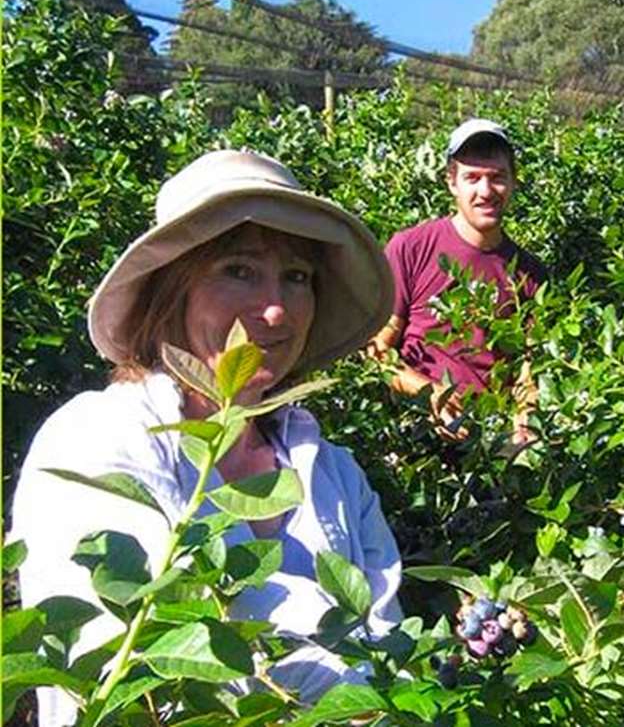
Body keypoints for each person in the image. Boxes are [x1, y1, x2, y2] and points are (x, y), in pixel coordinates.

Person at [10, 149, 402, 723]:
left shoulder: (334, 472)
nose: (275, 309)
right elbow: (172, 652)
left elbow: (389, 643)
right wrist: (365, 697)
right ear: (174, 289)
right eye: (238, 270)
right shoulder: (95, 439)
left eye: (297, 277)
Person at [369, 118, 545, 442]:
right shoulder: (410, 247)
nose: (485, 191)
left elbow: (528, 370)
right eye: (472, 178)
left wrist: (526, 418)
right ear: (452, 182)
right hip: (415, 434)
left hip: (490, 442)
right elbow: (377, 352)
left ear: (513, 182)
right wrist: (429, 392)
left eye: (497, 178)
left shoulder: (531, 274)